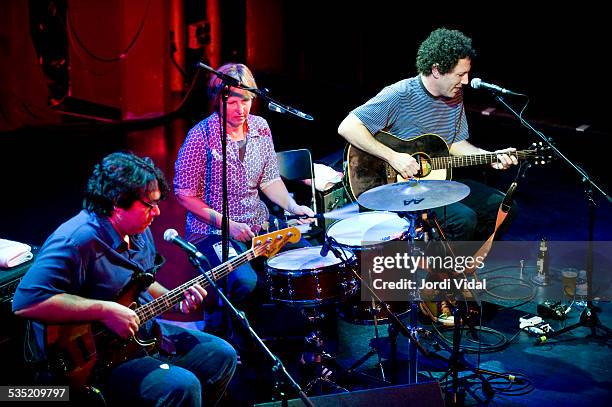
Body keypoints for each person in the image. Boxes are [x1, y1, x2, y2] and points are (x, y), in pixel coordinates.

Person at [12, 152, 236, 406]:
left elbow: (142, 282)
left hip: (140, 335)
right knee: (181, 387)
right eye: (150, 205)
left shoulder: (140, 232)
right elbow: (25, 303)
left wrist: (175, 301)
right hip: (95, 357)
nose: (158, 212)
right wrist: (106, 310)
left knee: (221, 355)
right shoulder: (76, 240)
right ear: (118, 203)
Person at [338, 27, 518, 242]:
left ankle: (460, 267)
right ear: (436, 70)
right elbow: (348, 126)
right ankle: (438, 272)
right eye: (460, 74)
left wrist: (490, 157)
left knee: (503, 208)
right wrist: (393, 156)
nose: (466, 81)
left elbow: (454, 143)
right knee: (463, 219)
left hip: (434, 182)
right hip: (396, 187)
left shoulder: (454, 95)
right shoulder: (399, 94)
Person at [173, 63, 314, 337]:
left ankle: (285, 337)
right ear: (218, 99)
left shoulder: (261, 128)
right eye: (233, 101)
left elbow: (269, 179)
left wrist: (292, 206)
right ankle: (223, 335)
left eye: (246, 100)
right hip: (212, 232)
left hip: (257, 225)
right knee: (243, 282)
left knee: (306, 257)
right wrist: (229, 226)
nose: (241, 109)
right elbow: (184, 195)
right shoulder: (200, 136)